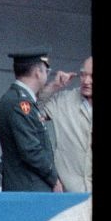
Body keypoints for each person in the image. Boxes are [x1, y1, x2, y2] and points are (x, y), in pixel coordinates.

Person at [0, 49, 62, 192]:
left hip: (27, 187)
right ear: (38, 72)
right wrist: (54, 179)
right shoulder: (19, 103)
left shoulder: (18, 99)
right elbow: (31, 150)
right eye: (46, 71)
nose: (46, 75)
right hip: (29, 188)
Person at [42, 56, 91, 192]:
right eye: (83, 75)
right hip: (68, 196)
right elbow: (32, 112)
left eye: (92, 76)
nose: (87, 81)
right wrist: (53, 87)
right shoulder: (64, 100)